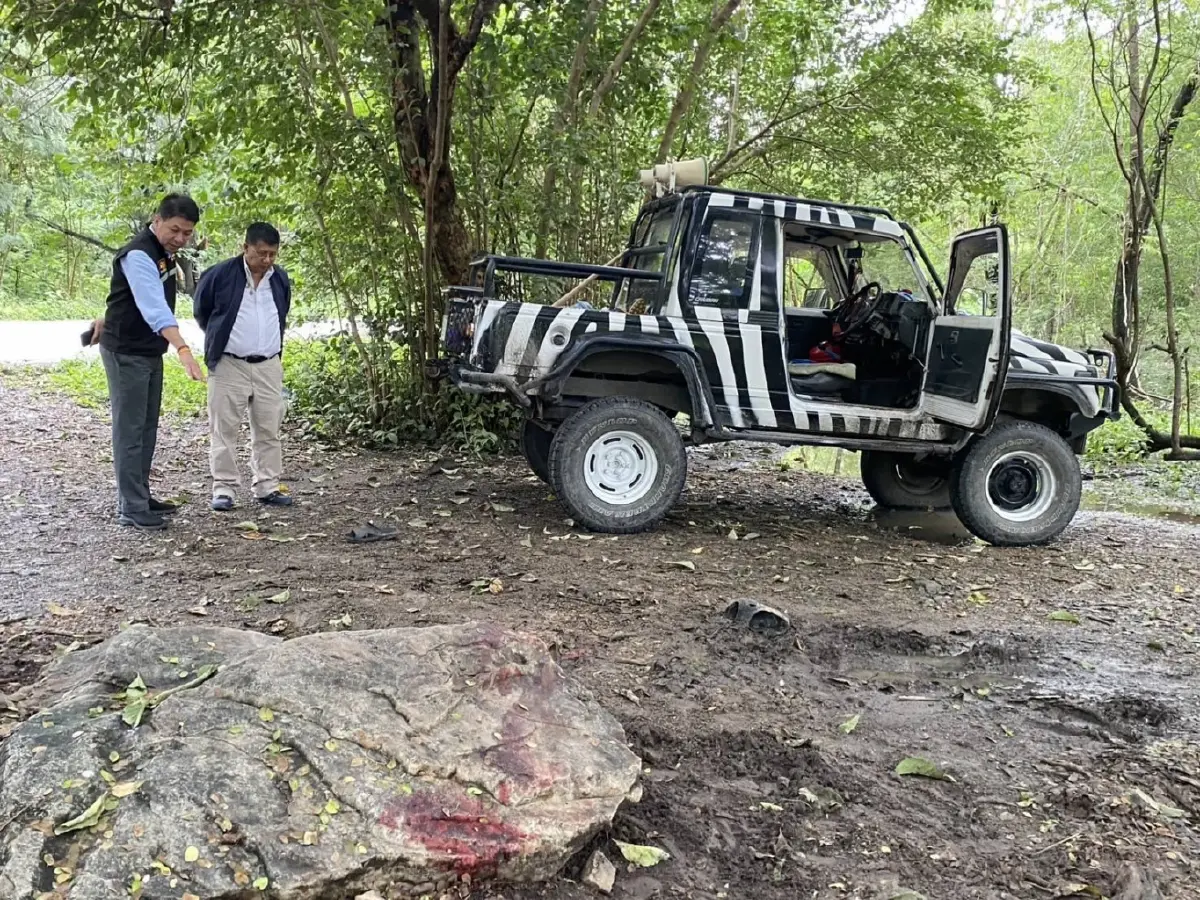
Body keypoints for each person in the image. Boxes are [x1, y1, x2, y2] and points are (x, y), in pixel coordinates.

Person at [96, 193, 205, 531]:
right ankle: (130, 507)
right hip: (125, 351)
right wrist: (183, 349)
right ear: (157, 220)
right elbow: (153, 307)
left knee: (146, 426)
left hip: (148, 350)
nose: (180, 238)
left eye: (187, 233)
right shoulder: (138, 255)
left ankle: (141, 496)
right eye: (175, 230)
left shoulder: (164, 254)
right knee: (129, 429)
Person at [193, 222, 293, 511]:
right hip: (229, 363)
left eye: (273, 254)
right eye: (261, 253)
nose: (267, 260)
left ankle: (268, 486)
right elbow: (203, 312)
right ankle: (224, 489)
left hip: (268, 364)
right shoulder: (220, 275)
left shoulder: (279, 278)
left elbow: (281, 312)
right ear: (245, 247)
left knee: (269, 427)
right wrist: (222, 339)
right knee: (223, 429)